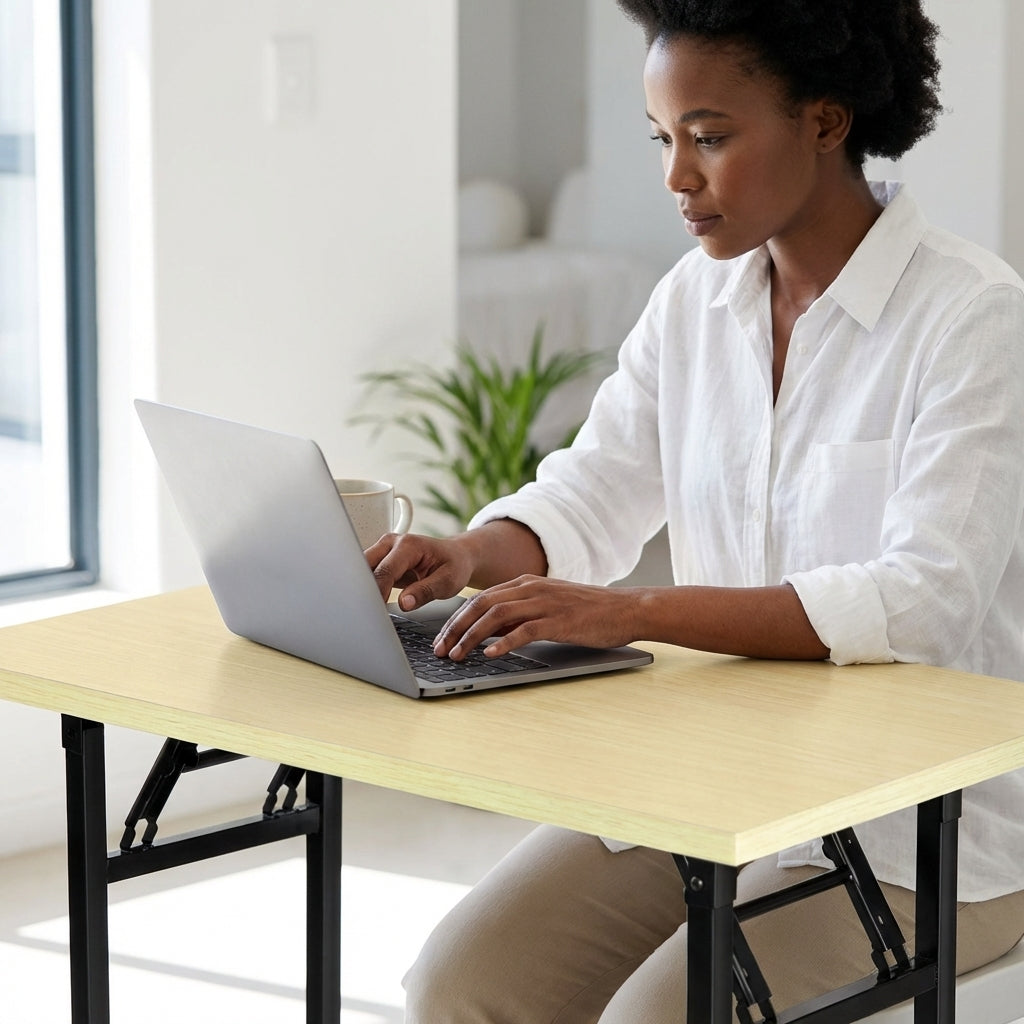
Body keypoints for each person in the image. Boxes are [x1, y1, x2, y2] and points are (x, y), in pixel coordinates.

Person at [368, 1, 1024, 1019]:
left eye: (709, 138)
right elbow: (595, 485)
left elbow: (919, 603)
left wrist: (632, 613)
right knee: (464, 985)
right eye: (664, 139)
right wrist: (469, 551)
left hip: (929, 828)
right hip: (723, 783)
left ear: (824, 121)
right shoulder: (693, 303)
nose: (677, 177)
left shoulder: (971, 317)